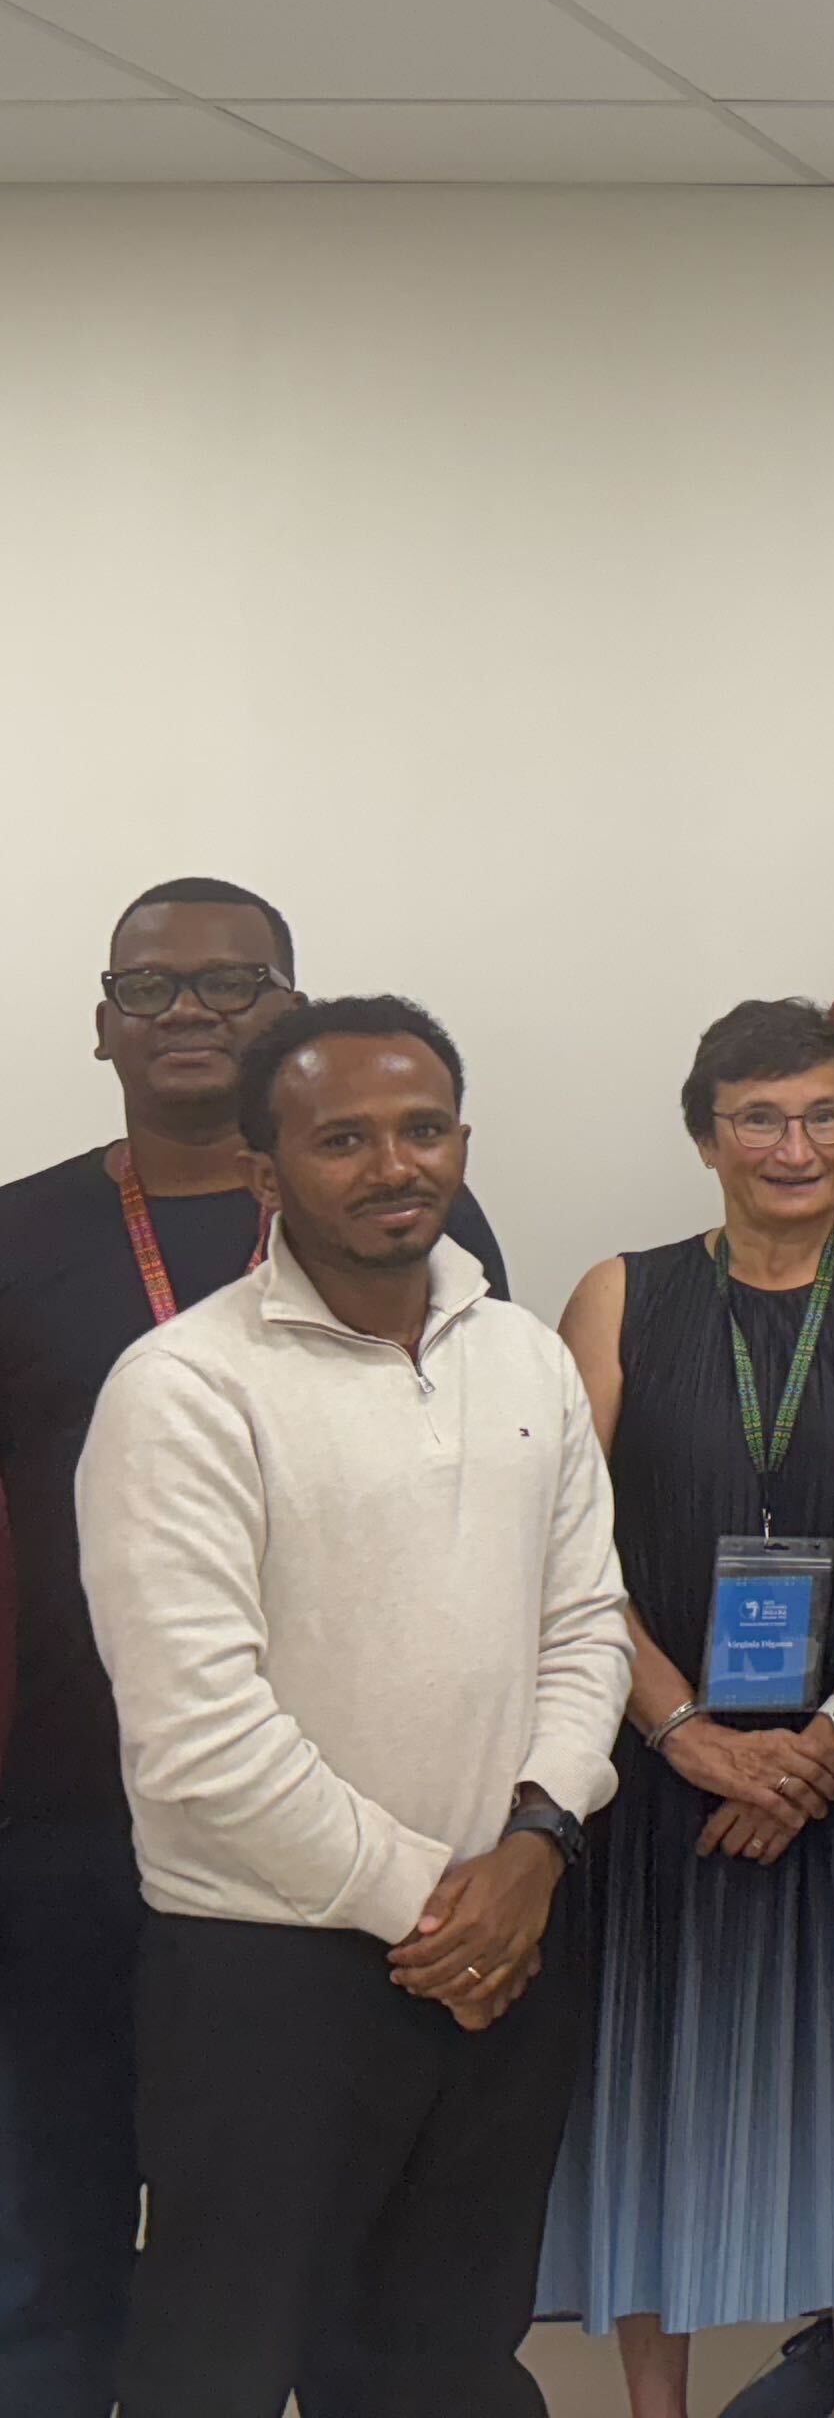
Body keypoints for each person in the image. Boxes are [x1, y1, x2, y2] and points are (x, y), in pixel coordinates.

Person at [0, 881, 515, 2417]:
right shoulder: (20, 1237)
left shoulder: (418, 1217)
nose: (190, 1014)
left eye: (231, 985)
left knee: (341, 2255)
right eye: (150, 989)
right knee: (57, 2236)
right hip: (74, 1820)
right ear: (100, 1028)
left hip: (354, 1842)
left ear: (290, 1011)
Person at [79, 994, 632, 2418]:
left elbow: (586, 1628)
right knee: (218, 2361)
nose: (395, 1166)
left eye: (423, 1128)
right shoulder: (184, 1388)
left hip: (511, 1942)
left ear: (462, 1143)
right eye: (343, 1140)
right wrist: (438, 1911)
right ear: (264, 1173)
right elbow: (200, 1737)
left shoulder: (523, 1356)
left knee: (447, 2351)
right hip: (273, 1971)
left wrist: (535, 1849)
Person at [532, 1002, 834, 2418]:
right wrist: (686, 1733)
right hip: (660, 1775)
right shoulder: (620, 1296)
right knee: (646, 2093)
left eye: (822, 1116)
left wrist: (832, 1732)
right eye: (758, 1119)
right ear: (705, 1135)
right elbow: (560, 1546)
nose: (794, 1147)